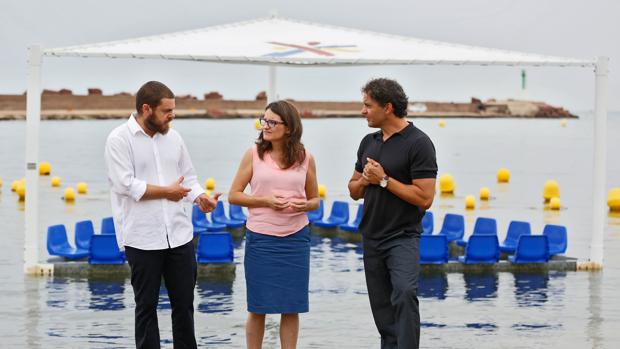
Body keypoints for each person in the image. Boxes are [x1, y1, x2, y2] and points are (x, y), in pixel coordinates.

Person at [104, 81, 219, 349]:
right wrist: (167, 192)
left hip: (179, 236)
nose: (172, 115)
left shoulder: (175, 138)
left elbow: (189, 178)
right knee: (146, 308)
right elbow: (125, 184)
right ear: (146, 109)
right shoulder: (118, 139)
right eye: (166, 110)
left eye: (173, 110)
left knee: (185, 306)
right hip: (141, 238)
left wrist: (200, 198)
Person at [347, 78, 437, 349]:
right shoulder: (368, 142)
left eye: (367, 105)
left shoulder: (419, 143)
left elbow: (425, 198)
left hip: (403, 236)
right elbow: (353, 190)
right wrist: (365, 180)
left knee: (405, 294)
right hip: (371, 236)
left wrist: (384, 179)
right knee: (383, 310)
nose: (363, 111)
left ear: (387, 107)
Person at [228, 100, 319, 349]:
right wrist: (265, 201)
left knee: (292, 307)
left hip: (296, 239)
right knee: (258, 307)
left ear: (288, 127)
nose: (265, 126)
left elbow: (315, 200)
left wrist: (306, 206)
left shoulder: (305, 157)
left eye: (272, 122)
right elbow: (234, 195)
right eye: (264, 120)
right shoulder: (254, 155)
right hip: (261, 240)